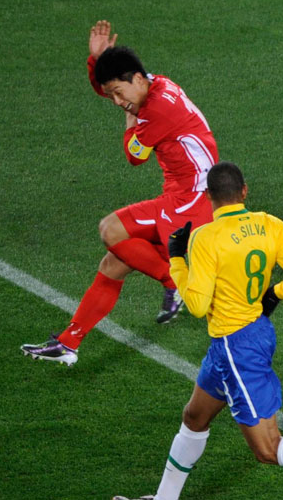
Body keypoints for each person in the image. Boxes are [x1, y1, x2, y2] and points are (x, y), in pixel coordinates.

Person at [112, 161, 283, 500]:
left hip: (236, 348)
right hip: (251, 334)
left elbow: (197, 306)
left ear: (208, 196)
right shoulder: (270, 224)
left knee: (268, 449)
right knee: (194, 417)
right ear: (244, 191)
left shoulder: (205, 237)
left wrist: (176, 259)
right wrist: (275, 293)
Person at [21, 21, 219, 365]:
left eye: (118, 93)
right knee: (113, 264)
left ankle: (175, 282)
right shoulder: (154, 85)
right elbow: (114, 90)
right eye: (112, 94)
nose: (116, 101)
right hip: (186, 194)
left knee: (111, 230)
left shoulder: (159, 109)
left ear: (137, 79)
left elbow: (134, 156)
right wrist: (97, 61)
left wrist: (131, 120)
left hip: (192, 200)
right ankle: (68, 344)